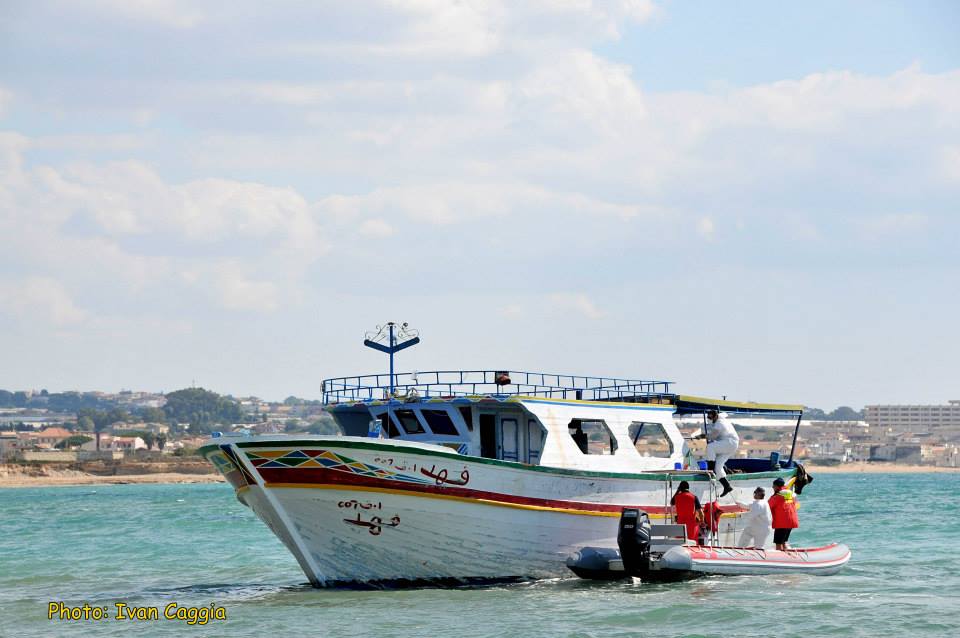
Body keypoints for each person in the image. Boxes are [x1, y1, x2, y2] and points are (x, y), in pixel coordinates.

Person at [694, 409, 739, 497]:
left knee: (710, 447)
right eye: (708, 417)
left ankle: (710, 469)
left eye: (710, 417)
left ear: (715, 416)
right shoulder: (720, 420)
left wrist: (702, 436)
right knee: (718, 467)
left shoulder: (719, 423)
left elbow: (713, 436)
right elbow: (714, 436)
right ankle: (727, 486)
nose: (709, 419)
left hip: (729, 443)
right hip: (731, 445)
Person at [768, 477, 799, 551]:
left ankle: (779, 559)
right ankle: (787, 556)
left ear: (778, 486)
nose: (772, 487)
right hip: (791, 521)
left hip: (782, 523)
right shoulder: (790, 493)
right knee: (784, 541)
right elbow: (796, 504)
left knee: (778, 543)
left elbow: (767, 506)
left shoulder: (777, 496)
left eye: (774, 486)